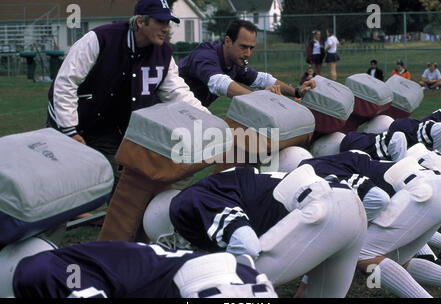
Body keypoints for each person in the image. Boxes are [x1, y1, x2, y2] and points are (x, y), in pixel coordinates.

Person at [46, 0, 210, 193]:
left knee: (115, 185)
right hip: (71, 121)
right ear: (141, 21)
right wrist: (69, 129)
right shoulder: (100, 39)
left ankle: (114, 221)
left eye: (168, 22)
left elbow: (178, 94)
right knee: (60, 183)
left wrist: (209, 121)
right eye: (160, 22)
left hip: (109, 130)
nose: (166, 28)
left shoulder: (164, 54)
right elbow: (66, 82)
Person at [144, 166, 367, 297]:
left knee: (225, 290)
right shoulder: (219, 186)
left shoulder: (187, 203)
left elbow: (247, 244)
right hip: (349, 207)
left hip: (320, 211)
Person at [275, 146, 441, 298]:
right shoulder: (343, 161)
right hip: (437, 189)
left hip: (420, 191)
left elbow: (378, 199)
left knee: (362, 253)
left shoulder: (319, 172)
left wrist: (306, 285)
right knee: (397, 259)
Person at [1, 237, 277, 298]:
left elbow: (80, 292)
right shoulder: (88, 256)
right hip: (242, 279)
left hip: (204, 289)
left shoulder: (47, 269)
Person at [177, 19, 316, 107]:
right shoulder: (205, 55)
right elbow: (219, 83)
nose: (248, 54)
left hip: (185, 114)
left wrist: (297, 91)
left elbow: (262, 79)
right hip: (162, 112)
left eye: (251, 48)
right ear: (227, 41)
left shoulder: (235, 63)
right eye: (243, 47)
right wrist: (258, 97)